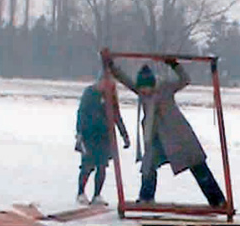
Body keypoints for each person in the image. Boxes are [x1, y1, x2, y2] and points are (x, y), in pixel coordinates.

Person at [105, 54, 226, 207]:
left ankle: (218, 200)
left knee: (198, 166)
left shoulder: (165, 89)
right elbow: (126, 80)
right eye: (141, 88)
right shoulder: (143, 94)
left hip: (179, 136)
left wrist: (174, 65)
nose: (144, 91)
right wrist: (111, 66)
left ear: (152, 84)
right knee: (148, 166)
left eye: (146, 87)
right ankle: (146, 198)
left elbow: (185, 80)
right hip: (157, 139)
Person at [75, 73, 130, 205]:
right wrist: (79, 132)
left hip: (105, 136)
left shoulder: (111, 96)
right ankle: (81, 193)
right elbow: (81, 112)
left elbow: (116, 115)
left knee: (102, 166)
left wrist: (124, 135)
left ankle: (97, 195)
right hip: (89, 135)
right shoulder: (90, 93)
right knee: (87, 165)